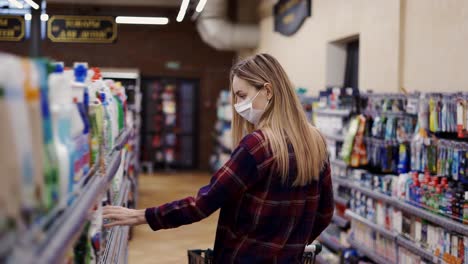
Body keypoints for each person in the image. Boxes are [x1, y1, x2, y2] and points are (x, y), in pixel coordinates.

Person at [103, 53, 334, 263]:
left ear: (268, 91)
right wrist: (288, 247)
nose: (237, 105)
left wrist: (143, 215)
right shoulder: (316, 142)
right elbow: (324, 214)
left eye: (242, 95)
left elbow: (202, 204)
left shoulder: (257, 145)